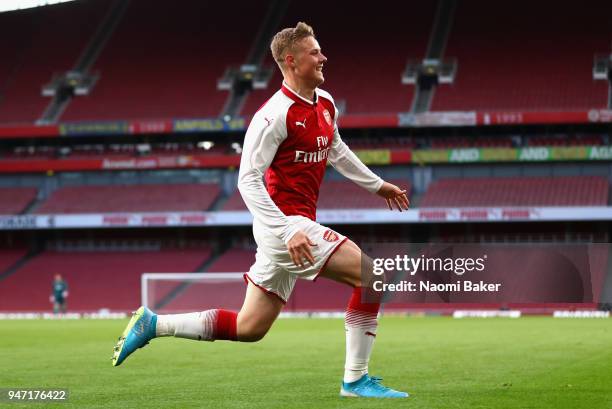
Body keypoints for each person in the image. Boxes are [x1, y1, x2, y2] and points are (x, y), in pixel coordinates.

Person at [111, 22, 410, 398]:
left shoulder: (326, 103)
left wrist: (377, 185)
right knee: (373, 277)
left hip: (295, 228)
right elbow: (247, 180)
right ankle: (355, 380)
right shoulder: (273, 116)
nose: (323, 57)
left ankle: (153, 324)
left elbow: (336, 150)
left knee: (249, 327)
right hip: (284, 227)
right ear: (291, 61)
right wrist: (287, 230)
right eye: (314, 52)